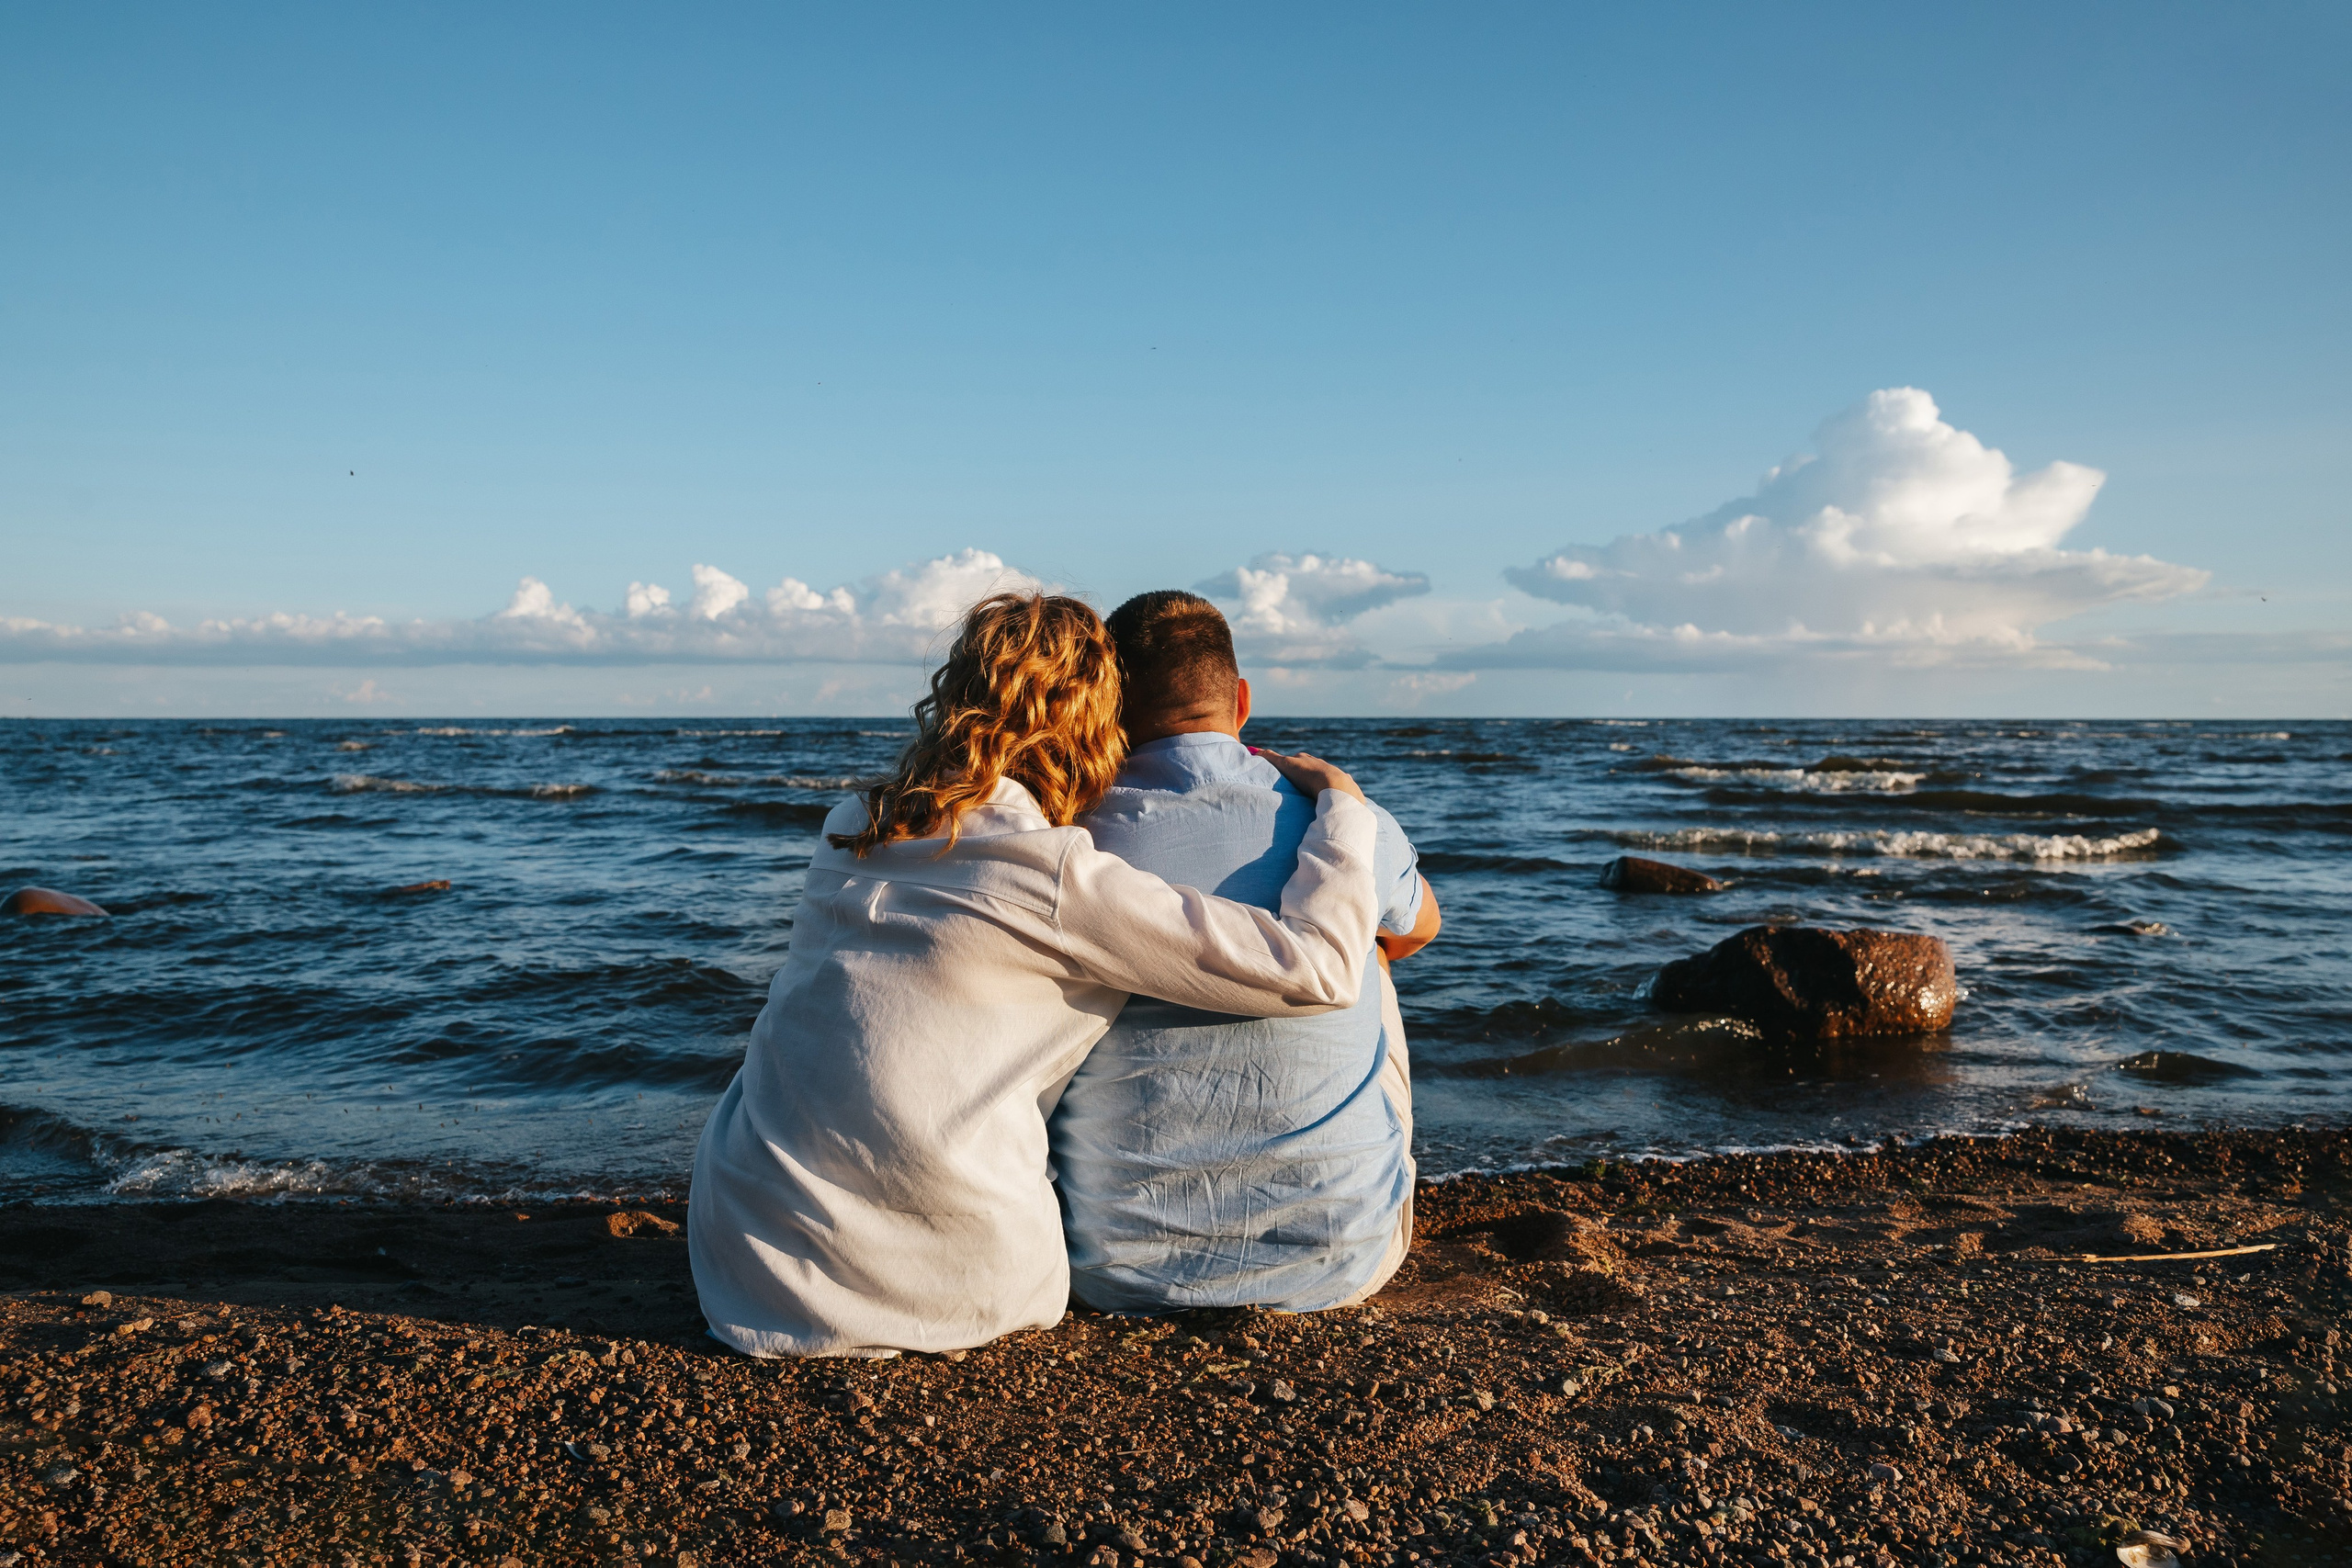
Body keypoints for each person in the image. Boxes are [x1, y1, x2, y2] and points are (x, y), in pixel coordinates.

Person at [688, 592, 1382, 1359]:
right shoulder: (1056, 876)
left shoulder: (855, 822)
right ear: (1099, 724)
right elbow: (1317, 970)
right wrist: (1345, 808)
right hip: (939, 1288)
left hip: (741, 1252)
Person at [1050, 591, 1441, 1313]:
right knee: (1373, 945)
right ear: (1243, 700)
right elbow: (1422, 927)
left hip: (1114, 1271)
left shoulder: (1063, 841)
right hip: (1345, 1260)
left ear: (1106, 709)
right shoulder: (1345, 820)